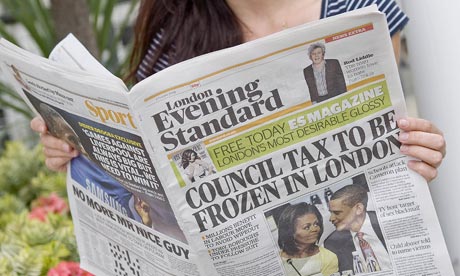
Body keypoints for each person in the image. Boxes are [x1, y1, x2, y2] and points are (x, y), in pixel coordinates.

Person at [31, 1, 446, 190]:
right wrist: (74, 149)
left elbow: (387, 141)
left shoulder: (358, 11)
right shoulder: (175, 26)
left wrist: (416, 153)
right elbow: (148, 160)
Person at [324, 184, 388, 273]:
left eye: (337, 213)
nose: (331, 218)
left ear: (358, 209)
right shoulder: (332, 244)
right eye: (331, 213)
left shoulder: (386, 220)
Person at [278, 202, 339, 276]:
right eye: (307, 227)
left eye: (316, 224)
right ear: (290, 232)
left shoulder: (328, 257)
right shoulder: (276, 259)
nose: (315, 229)